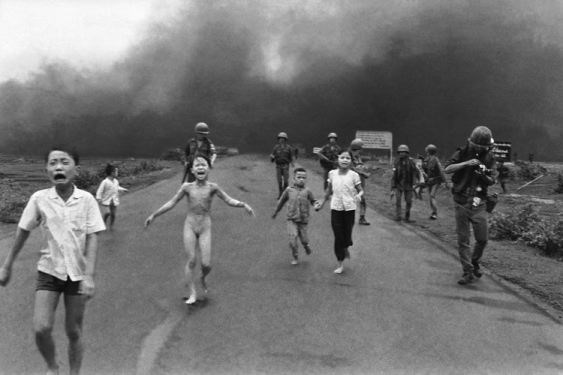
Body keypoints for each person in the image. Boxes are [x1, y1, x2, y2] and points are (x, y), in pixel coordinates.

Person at [0, 147, 106, 375]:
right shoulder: (39, 199)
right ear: (47, 170)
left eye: (64, 162)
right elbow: (22, 231)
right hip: (49, 271)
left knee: (74, 331)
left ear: (76, 169)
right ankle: (53, 366)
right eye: (53, 163)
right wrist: (6, 265)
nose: (58, 167)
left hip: (77, 275)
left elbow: (93, 237)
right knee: (41, 328)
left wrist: (89, 276)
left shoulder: (86, 200)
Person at [145, 156, 254, 304]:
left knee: (206, 264)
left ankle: (203, 278)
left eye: (204, 165)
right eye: (197, 165)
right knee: (191, 260)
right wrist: (154, 215)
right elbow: (172, 202)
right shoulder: (187, 187)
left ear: (208, 169)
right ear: (192, 170)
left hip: (205, 226)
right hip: (190, 225)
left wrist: (243, 204)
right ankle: (192, 293)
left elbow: (228, 199)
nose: (200, 167)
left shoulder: (213, 187)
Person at [445, 126, 497, 285]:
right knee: (463, 239)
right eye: (477, 145)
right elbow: (447, 169)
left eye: (483, 147)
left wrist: (483, 175)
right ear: (471, 142)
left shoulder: (490, 157)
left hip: (479, 202)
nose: (480, 149)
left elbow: (493, 178)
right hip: (461, 200)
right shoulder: (461, 152)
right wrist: (466, 163)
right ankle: (467, 271)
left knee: (482, 239)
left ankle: (474, 262)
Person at [315, 150, 364, 274]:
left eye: (348, 158)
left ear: (351, 161)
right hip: (336, 207)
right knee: (338, 235)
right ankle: (340, 263)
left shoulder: (354, 175)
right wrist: (321, 202)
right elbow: (328, 191)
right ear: (338, 159)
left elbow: (361, 190)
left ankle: (346, 245)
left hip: (350, 208)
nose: (345, 160)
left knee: (346, 235)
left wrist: (359, 195)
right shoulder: (332, 174)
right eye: (342, 157)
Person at [272, 167, 317, 265]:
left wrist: (316, 205)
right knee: (293, 239)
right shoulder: (289, 190)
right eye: (299, 177)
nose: (301, 179)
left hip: (303, 220)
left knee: (304, 239)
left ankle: (306, 245)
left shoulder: (307, 191)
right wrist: (276, 212)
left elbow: (313, 201)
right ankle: (295, 256)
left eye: (304, 178)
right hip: (291, 219)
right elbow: (281, 202)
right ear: (294, 179)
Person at [391, 144, 420, 223]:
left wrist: (416, 183)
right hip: (398, 184)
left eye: (403, 152)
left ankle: (407, 217)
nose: (401, 153)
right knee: (398, 201)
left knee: (409, 201)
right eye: (400, 152)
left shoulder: (411, 162)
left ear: (407, 153)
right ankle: (398, 216)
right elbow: (394, 175)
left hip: (408, 185)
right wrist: (393, 186)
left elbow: (415, 172)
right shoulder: (396, 162)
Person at [95, 163, 128, 230]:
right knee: (107, 212)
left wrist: (123, 189)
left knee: (113, 215)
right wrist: (98, 198)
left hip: (114, 200)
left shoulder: (116, 181)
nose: (117, 173)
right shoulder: (105, 182)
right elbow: (100, 191)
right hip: (106, 200)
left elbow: (117, 187)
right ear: (112, 173)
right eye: (116, 172)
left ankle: (111, 226)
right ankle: (103, 222)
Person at [422, 144, 450, 219]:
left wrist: (446, 182)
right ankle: (433, 213)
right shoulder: (427, 159)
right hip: (430, 181)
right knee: (430, 197)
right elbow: (426, 170)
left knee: (432, 195)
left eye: (427, 151)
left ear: (429, 151)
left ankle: (435, 213)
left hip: (436, 181)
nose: (426, 152)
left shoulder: (436, 160)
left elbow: (441, 171)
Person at [349, 138, 371, 225]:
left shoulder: (358, 157)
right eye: (360, 148)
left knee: (362, 200)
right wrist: (364, 173)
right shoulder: (348, 156)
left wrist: (363, 168)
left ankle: (362, 218)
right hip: (351, 182)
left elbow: (359, 166)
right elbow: (351, 168)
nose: (362, 150)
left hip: (359, 181)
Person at [269, 132, 295, 198]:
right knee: (279, 181)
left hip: (286, 165)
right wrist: (271, 157)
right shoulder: (276, 147)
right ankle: (280, 193)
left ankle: (285, 193)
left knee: (286, 181)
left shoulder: (289, 148)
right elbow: (272, 158)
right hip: (278, 166)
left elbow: (291, 157)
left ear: (285, 139)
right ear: (278, 139)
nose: (281, 140)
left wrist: (292, 163)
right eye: (280, 138)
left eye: (283, 138)